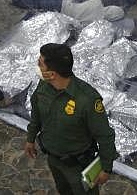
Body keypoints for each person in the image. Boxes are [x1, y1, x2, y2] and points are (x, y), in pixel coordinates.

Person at [25, 43, 118, 194]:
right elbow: (36, 114)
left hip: (79, 166)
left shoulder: (87, 100)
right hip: (53, 159)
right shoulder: (43, 86)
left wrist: (106, 168)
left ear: (52, 74)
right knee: (63, 191)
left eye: (40, 64)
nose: (37, 67)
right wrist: (30, 138)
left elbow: (105, 136)